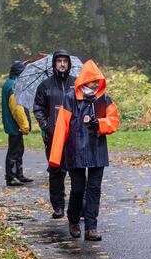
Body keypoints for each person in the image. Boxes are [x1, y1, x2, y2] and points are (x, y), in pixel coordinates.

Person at [49, 60, 119, 241]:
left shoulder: (104, 99)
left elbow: (114, 120)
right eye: (92, 80)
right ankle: (73, 221)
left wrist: (101, 124)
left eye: (98, 80)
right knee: (78, 189)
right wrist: (55, 158)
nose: (96, 83)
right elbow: (61, 127)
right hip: (75, 149)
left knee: (94, 189)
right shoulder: (71, 98)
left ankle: (91, 227)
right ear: (84, 80)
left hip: (97, 150)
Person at [33, 50, 77, 219]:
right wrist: (46, 125)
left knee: (76, 172)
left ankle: (78, 207)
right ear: (54, 63)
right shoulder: (45, 85)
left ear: (69, 63)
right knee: (56, 172)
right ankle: (58, 206)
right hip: (53, 136)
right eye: (59, 61)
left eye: (65, 61)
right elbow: (38, 108)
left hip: (73, 135)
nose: (62, 64)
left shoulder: (76, 83)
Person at [1, 60, 32, 186]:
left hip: (12, 124)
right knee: (14, 151)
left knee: (19, 150)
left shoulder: (9, 83)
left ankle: (18, 174)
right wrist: (25, 126)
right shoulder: (14, 85)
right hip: (15, 125)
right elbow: (17, 109)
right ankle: (11, 176)